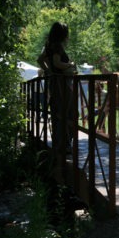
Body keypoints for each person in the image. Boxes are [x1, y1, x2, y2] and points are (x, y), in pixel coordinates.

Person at [44, 21, 77, 156]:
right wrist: (70, 65)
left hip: (55, 82)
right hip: (62, 84)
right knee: (68, 113)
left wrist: (49, 71)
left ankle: (59, 144)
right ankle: (65, 145)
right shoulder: (57, 46)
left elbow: (40, 60)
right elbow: (57, 63)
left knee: (58, 112)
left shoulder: (48, 45)